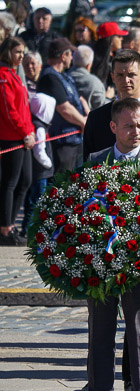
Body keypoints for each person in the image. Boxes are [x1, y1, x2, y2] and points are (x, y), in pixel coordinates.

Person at [73, 98, 140, 391]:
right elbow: (80, 210)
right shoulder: (95, 161)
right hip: (99, 264)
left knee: (139, 332)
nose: (136, 131)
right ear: (114, 127)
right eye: (129, 126)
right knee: (99, 333)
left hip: (137, 265)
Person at [83, 49, 140, 159]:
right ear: (112, 77)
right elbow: (88, 164)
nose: (126, 80)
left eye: (131, 75)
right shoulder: (96, 118)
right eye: (120, 75)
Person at [0, 37, 34, 246]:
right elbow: (9, 110)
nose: (21, 56)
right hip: (11, 137)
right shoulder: (3, 76)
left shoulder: (13, 74)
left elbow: (23, 107)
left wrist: (29, 132)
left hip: (23, 135)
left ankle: (9, 223)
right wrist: (24, 132)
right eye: (18, 52)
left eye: (23, 52)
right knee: (10, 182)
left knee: (25, 180)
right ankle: (5, 228)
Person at [37, 37, 88, 175]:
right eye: (70, 54)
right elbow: (64, 108)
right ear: (63, 56)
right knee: (61, 184)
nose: (72, 58)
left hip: (72, 139)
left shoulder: (62, 76)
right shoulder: (50, 78)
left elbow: (76, 99)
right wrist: (84, 122)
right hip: (62, 141)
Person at [68, 45, 107, 112]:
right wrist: (108, 97)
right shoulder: (95, 83)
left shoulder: (63, 78)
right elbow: (101, 110)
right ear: (88, 65)